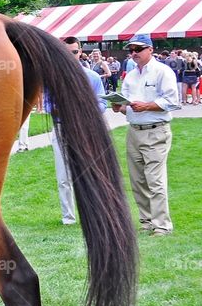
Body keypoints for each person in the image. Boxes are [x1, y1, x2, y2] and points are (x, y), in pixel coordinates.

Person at [112, 34, 180, 237]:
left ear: (150, 49)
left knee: (155, 179)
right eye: (131, 50)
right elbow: (127, 104)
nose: (134, 53)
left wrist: (147, 106)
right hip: (134, 131)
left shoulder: (162, 71)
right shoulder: (131, 75)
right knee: (138, 180)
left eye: (138, 49)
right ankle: (147, 220)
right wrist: (118, 106)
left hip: (156, 130)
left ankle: (162, 225)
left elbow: (172, 101)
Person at [48, 36, 106, 225]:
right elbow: (48, 105)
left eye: (74, 52)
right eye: (67, 52)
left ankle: (92, 213)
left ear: (80, 52)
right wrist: (65, 108)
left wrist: (84, 109)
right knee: (63, 176)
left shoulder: (92, 77)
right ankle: (68, 216)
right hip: (61, 128)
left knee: (89, 172)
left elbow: (102, 103)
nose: (70, 56)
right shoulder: (53, 77)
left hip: (85, 129)